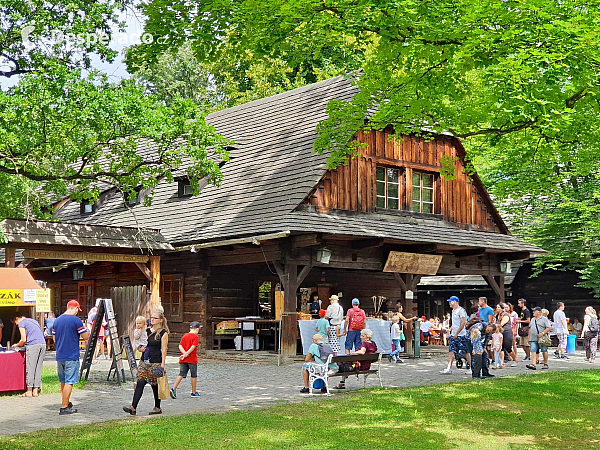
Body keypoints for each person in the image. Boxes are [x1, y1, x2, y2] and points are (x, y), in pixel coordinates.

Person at [123, 306, 169, 415]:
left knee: (154, 385)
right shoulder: (146, 331)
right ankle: (133, 407)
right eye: (151, 317)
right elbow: (140, 342)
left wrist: (163, 364)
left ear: (161, 320)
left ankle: (157, 407)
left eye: (155, 318)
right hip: (144, 361)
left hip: (156, 362)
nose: (152, 319)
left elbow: (164, 348)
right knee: (140, 382)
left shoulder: (163, 333)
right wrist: (139, 348)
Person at [52, 300, 90, 415]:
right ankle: (64, 407)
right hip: (71, 354)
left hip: (60, 355)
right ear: (76, 308)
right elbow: (85, 336)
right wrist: (87, 329)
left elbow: (54, 338)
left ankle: (66, 402)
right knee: (69, 381)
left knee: (63, 380)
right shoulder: (76, 321)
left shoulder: (57, 321)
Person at [12, 316, 46, 397]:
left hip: (33, 345)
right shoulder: (34, 321)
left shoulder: (21, 323)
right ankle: (35, 391)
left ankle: (29, 391)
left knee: (31, 367)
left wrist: (16, 345)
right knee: (38, 368)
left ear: (17, 319)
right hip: (43, 344)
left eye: (15, 323)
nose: (16, 325)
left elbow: (23, 339)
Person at [440, 296, 472, 374]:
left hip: (461, 335)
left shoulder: (461, 310)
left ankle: (472, 368)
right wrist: (450, 330)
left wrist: (457, 333)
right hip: (453, 335)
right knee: (451, 351)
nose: (449, 303)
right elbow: (454, 323)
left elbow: (463, 322)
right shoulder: (453, 311)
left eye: (450, 301)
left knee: (465, 352)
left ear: (455, 301)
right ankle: (448, 368)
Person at [170, 321, 201, 399]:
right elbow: (193, 347)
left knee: (181, 374)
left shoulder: (185, 335)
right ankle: (194, 392)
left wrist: (184, 354)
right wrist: (187, 354)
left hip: (183, 359)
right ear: (197, 329)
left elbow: (180, 346)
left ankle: (173, 389)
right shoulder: (195, 337)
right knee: (194, 375)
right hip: (192, 359)